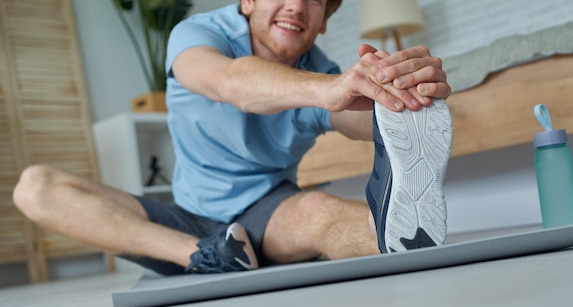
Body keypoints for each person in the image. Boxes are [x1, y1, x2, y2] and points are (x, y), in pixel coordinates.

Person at [12, 0, 452, 276]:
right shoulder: (198, 36)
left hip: (265, 214)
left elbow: (354, 119)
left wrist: (402, 98)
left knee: (320, 209)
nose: (296, 5)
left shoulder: (324, 74)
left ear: (322, 23)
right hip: (184, 220)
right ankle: (206, 255)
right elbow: (229, 82)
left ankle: (400, 233)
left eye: (314, 0)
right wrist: (326, 91)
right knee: (36, 186)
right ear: (247, 2)